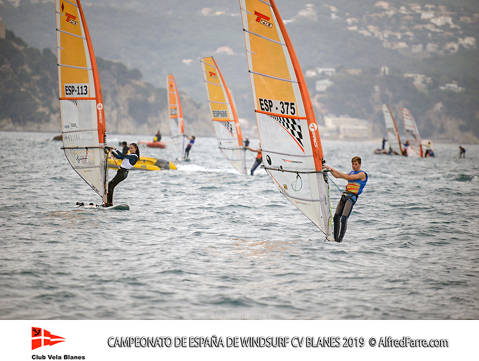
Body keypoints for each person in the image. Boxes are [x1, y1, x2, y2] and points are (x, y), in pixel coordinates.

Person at [326, 156, 368, 243]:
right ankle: (334, 238)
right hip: (344, 196)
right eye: (353, 164)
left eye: (356, 164)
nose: (354, 166)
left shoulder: (362, 174)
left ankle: (339, 240)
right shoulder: (351, 172)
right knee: (336, 217)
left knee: (344, 218)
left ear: (360, 164)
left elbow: (348, 178)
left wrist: (332, 168)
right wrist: (329, 171)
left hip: (351, 198)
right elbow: (337, 176)